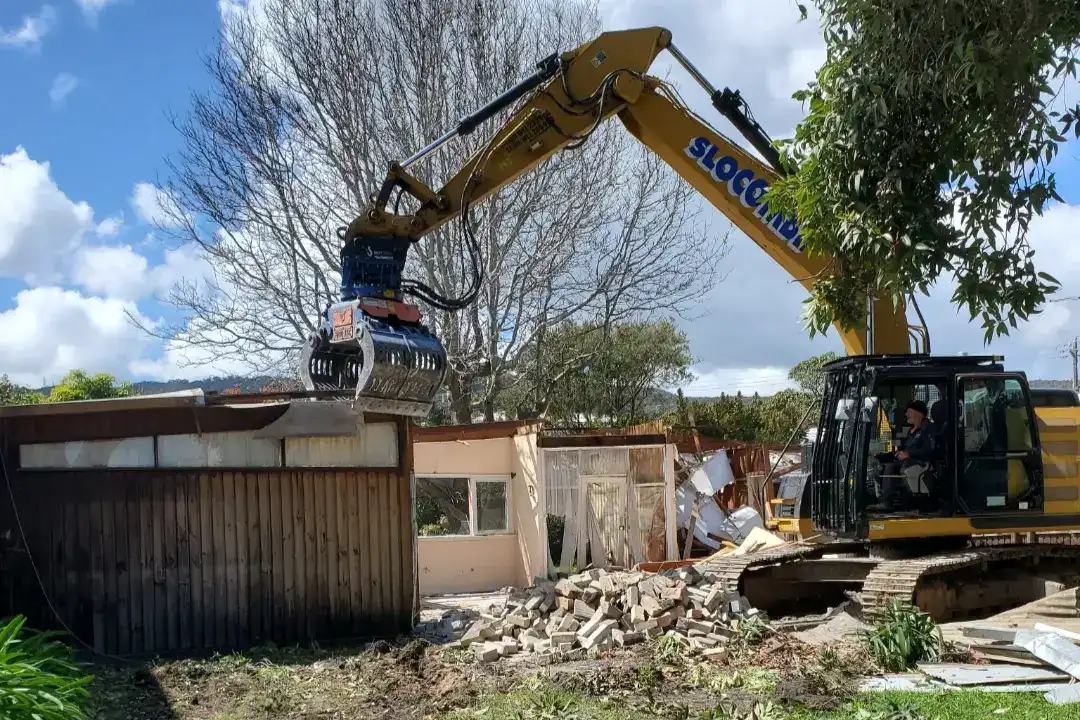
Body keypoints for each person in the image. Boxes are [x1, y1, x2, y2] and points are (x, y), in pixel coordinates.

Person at [869, 399, 935, 512]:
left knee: (890, 468)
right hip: (903, 460)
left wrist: (909, 454)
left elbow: (930, 450)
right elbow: (900, 447)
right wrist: (885, 455)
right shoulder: (909, 430)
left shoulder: (927, 428)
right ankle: (882, 498)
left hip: (917, 462)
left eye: (909, 412)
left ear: (918, 413)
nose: (906, 415)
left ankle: (887, 503)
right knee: (880, 466)